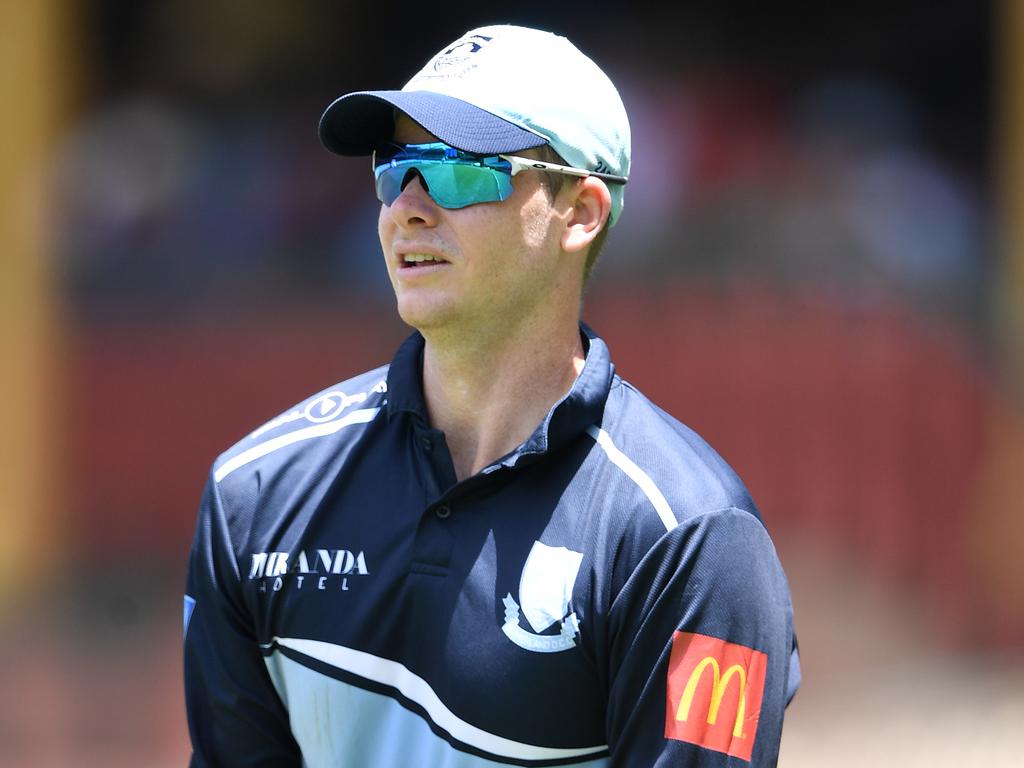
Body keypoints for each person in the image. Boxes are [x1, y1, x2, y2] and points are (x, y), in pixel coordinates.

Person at [183, 24, 800, 767]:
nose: (406, 207)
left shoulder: (693, 539)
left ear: (581, 212)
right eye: (394, 167)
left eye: (459, 168)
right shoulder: (254, 495)